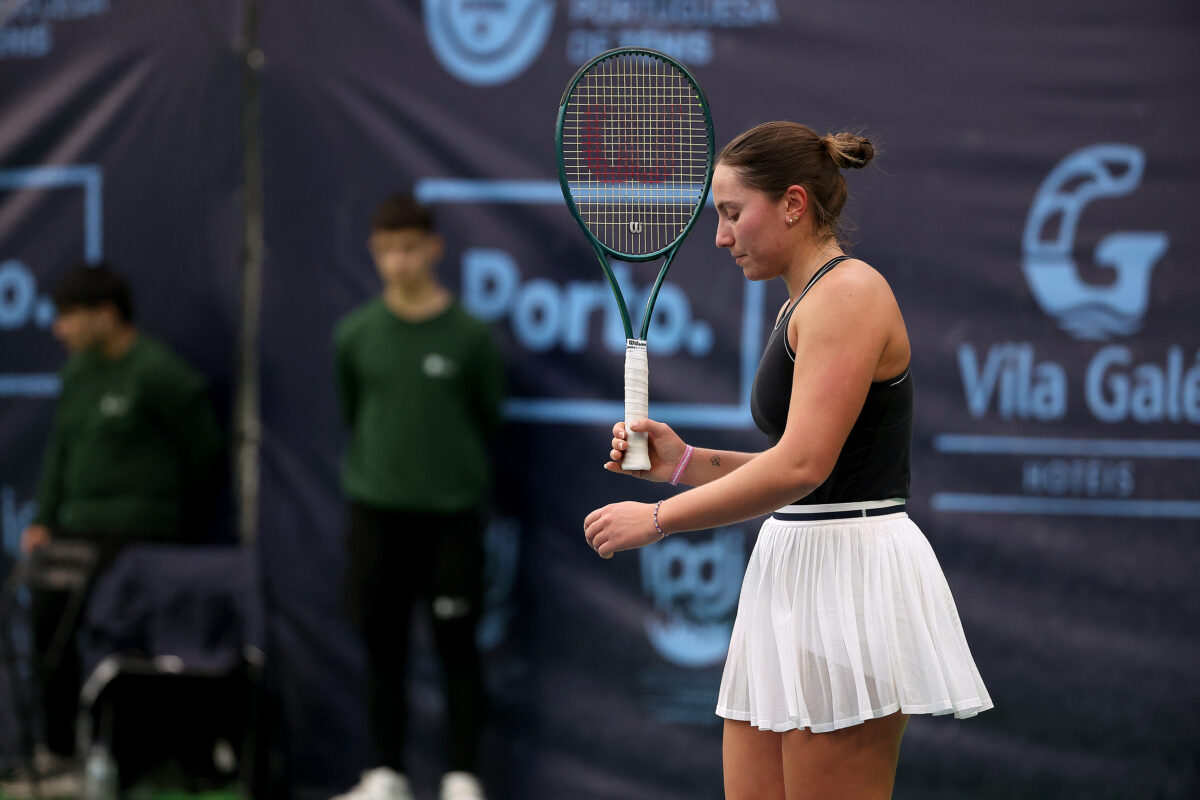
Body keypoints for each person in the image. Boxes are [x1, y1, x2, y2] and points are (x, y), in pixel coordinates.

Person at [584, 121, 992, 800]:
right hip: (793, 566)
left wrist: (657, 519)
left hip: (850, 576)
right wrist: (686, 462)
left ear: (794, 205)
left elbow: (802, 468)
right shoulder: (802, 301)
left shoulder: (848, 295)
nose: (719, 237)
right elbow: (801, 465)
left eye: (732, 213)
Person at [13, 262, 224, 794]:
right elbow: (61, 449)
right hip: (73, 531)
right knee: (46, 630)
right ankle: (57, 754)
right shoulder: (76, 374)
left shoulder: (158, 373)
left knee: (120, 639)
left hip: (138, 534)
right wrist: (43, 518)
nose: (60, 329)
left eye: (70, 318)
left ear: (106, 316)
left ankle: (134, 759)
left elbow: (204, 453)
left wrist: (170, 518)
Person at [332, 194, 504, 800]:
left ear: (433, 248)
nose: (397, 262)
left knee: (458, 648)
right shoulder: (355, 336)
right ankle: (385, 775)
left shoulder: (470, 337)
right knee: (383, 647)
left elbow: (487, 416)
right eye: (384, 251)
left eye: (408, 248)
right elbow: (352, 410)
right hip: (376, 516)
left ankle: (461, 777)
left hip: (452, 521)